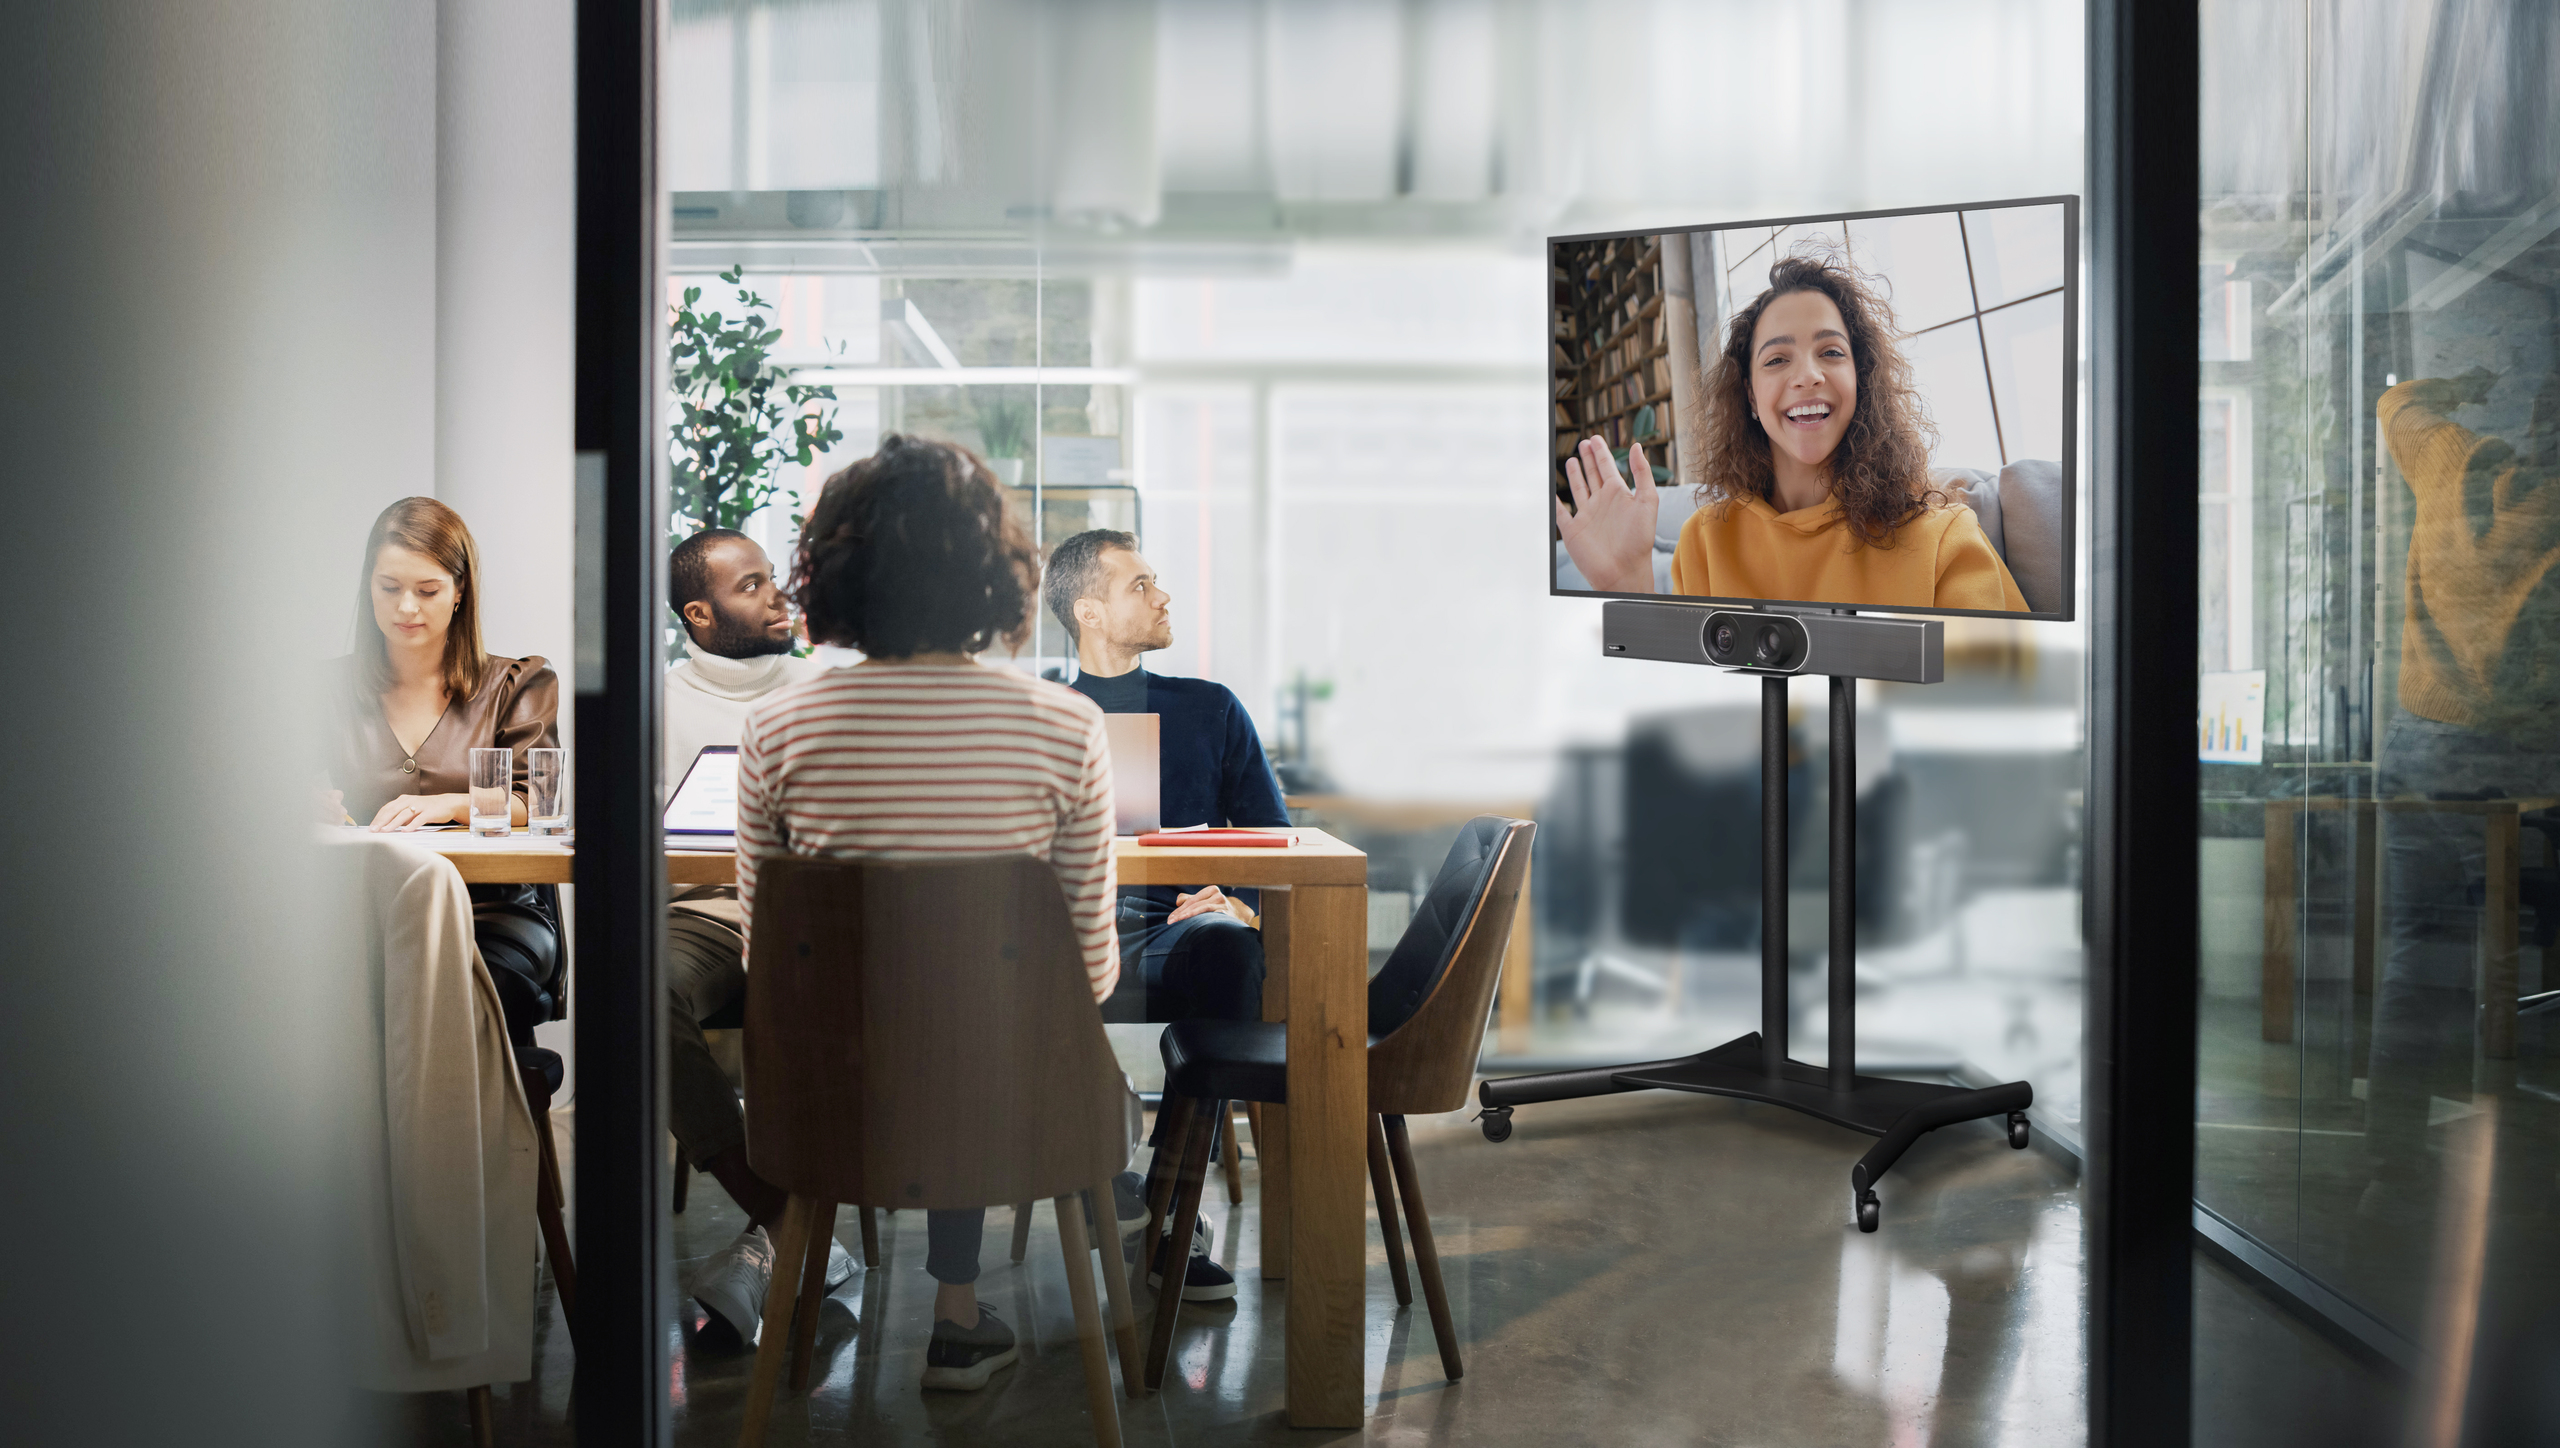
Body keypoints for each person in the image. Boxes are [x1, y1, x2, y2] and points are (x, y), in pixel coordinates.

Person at [735, 435, 1121, 1392]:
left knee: (913, 1018)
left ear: (830, 572)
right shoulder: (1067, 726)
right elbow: (1091, 975)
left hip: (835, 1109)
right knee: (975, 1015)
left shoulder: (777, 730)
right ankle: (959, 1319)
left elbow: (766, 961)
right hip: (1019, 1107)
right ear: (994, 570)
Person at [1042, 528, 1290, 1303]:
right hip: (1059, 937)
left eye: (1159, 582)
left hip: (1176, 931)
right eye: (1140, 585)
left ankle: (1171, 1205)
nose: (1164, 595)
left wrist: (1238, 900)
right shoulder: (1039, 712)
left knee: (1228, 950)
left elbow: (1275, 838)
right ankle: (1108, 1182)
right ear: (1088, 610)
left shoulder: (1209, 708)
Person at [1555, 252, 2029, 612]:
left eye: (1831, 352)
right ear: (1750, 398)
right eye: (1777, 359)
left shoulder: (1942, 537)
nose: (1807, 375)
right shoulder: (1705, 540)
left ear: (1861, 380)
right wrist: (1629, 585)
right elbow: (1685, 712)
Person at [654, 527, 856, 1343]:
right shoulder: (655, 699)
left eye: (774, 579)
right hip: (701, 914)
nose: (777, 597)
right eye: (751, 586)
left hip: (806, 915)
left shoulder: (823, 691)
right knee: (638, 990)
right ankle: (780, 1218)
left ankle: (781, 1240)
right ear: (699, 614)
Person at [2367, 363, 2560, 1213]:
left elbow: (2396, 402)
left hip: (2419, 744)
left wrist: (2469, 380)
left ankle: (2393, 1168)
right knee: (2521, 950)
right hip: (2526, 768)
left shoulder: (2456, 461)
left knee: (2419, 951)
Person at [324, 497, 565, 1046]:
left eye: (427, 590)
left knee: (441, 983)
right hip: (363, 911)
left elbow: (538, 801)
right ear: (369, 588)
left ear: (460, 592)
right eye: (389, 588)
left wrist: (451, 805)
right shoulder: (326, 692)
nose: (407, 607)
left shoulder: (517, 684)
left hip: (492, 911)